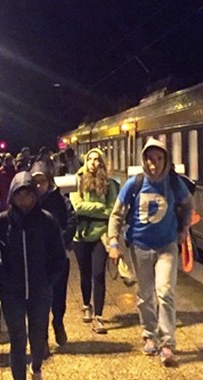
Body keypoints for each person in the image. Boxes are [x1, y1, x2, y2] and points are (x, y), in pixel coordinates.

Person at [0, 172, 68, 380]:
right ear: (12, 196)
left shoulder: (47, 221)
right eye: (19, 195)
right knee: (18, 339)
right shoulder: (2, 222)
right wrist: (3, 277)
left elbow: (58, 256)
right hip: (12, 292)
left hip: (40, 290)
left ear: (35, 195)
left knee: (38, 335)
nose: (24, 200)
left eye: (29, 194)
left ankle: (37, 369)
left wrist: (48, 281)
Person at [108, 137, 193, 367]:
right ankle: (149, 335)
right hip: (140, 246)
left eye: (159, 159)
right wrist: (114, 242)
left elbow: (188, 205)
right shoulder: (134, 183)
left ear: (166, 159)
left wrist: (184, 228)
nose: (154, 164)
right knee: (145, 295)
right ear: (144, 160)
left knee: (165, 292)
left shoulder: (174, 183)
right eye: (150, 159)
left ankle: (167, 343)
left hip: (167, 245)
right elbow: (116, 214)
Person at [70, 148, 119, 334]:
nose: (93, 162)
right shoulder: (78, 180)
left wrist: (92, 209)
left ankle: (98, 316)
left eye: (97, 159)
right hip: (80, 235)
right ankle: (85, 304)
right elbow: (77, 206)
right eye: (89, 159)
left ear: (102, 162)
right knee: (85, 272)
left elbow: (113, 209)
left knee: (98, 273)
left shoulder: (110, 184)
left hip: (101, 234)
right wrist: (100, 207)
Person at [30, 161, 76, 349]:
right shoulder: (27, 201)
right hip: (36, 259)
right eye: (36, 182)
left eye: (43, 181)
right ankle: (42, 337)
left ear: (49, 181)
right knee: (39, 299)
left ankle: (58, 322)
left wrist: (60, 242)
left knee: (59, 296)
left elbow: (71, 221)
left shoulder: (61, 200)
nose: (40, 186)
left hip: (58, 257)